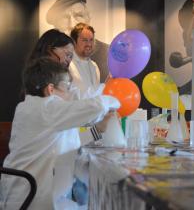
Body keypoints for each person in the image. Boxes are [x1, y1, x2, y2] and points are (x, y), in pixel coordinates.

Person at [0, 58, 120, 209]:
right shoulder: (44, 108)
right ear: (51, 89)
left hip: (28, 194)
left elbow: (70, 140)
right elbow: (94, 106)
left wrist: (98, 129)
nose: (70, 94)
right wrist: (115, 100)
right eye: (67, 87)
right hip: (32, 198)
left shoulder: (30, 108)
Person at [46, 0, 109, 82]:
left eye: (78, 15)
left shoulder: (108, 53)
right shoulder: (47, 56)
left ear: (88, 19)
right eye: (65, 17)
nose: (72, 25)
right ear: (56, 27)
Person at [69, 22, 101, 97]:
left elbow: (95, 95)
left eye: (91, 40)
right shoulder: (67, 65)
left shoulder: (94, 66)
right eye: (84, 40)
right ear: (74, 42)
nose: (89, 44)